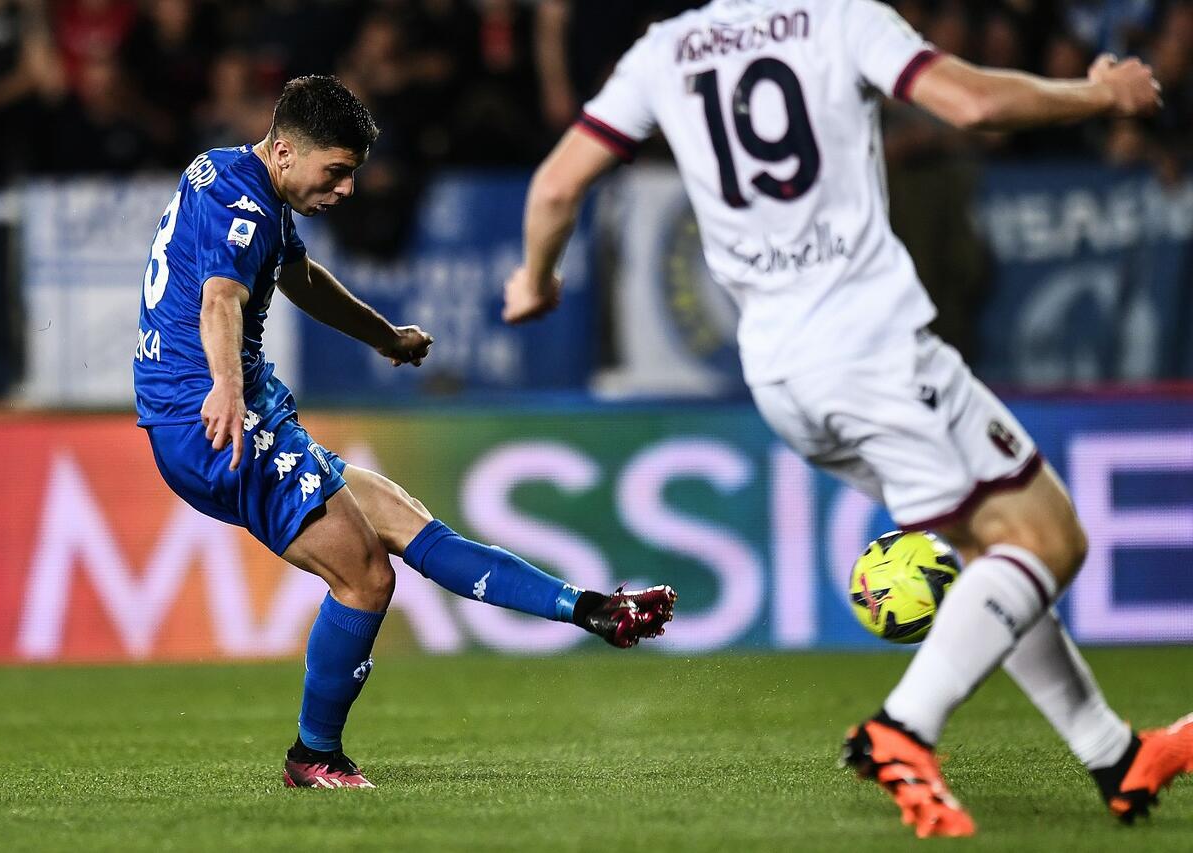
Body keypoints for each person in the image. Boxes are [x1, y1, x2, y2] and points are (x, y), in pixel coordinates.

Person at [504, 0, 1187, 838]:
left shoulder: (665, 50)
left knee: (991, 547)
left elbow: (556, 184)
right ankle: (902, 729)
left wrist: (535, 278)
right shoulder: (839, 21)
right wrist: (1099, 94)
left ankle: (1115, 756)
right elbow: (972, 103)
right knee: (1049, 540)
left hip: (782, 374)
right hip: (875, 351)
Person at [133, 75, 676, 790]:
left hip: (229, 406)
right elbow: (220, 302)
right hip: (211, 420)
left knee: (405, 522)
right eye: (337, 171)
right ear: (288, 151)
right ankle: (314, 755)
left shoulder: (235, 176)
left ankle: (589, 608)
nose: (348, 189)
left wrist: (383, 335)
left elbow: (301, 282)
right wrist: (228, 390)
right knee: (364, 576)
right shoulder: (246, 206)